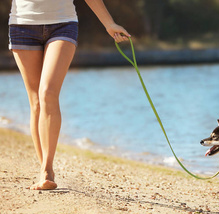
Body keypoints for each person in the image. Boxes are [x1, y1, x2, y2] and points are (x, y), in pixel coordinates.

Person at [9, 0, 130, 190]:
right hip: (22, 25)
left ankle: (48, 170)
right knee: (36, 102)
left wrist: (109, 23)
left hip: (63, 24)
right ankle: (43, 170)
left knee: (48, 92)